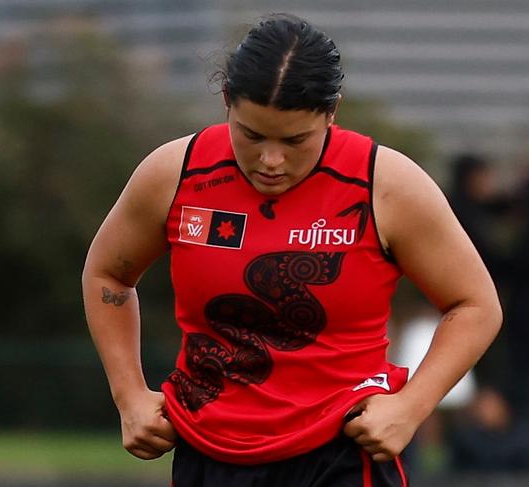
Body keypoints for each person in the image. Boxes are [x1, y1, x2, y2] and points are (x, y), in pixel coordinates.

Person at [82, 14, 502, 487]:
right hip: (209, 454)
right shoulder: (174, 174)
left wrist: (411, 407)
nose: (271, 160)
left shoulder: (385, 185)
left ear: (332, 112)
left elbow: (475, 305)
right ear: (226, 103)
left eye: (295, 139)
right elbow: (108, 275)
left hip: (340, 456)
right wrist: (129, 397)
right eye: (252, 135)